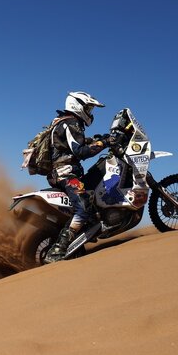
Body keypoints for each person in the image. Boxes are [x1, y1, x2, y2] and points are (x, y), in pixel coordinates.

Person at [43, 91, 113, 264]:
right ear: (77, 105)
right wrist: (104, 143)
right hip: (66, 174)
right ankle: (56, 251)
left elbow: (75, 143)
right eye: (88, 108)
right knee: (83, 207)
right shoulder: (70, 122)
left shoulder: (64, 122)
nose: (90, 112)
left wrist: (98, 139)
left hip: (64, 172)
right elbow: (80, 151)